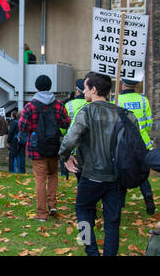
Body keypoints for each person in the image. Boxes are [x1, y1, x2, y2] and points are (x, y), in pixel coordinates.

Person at [59, 72, 137, 256]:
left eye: (85, 87)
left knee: (83, 211)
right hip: (116, 177)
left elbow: (69, 140)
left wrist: (65, 156)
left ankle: (91, 251)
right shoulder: (124, 114)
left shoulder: (86, 112)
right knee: (112, 221)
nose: (83, 91)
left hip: (91, 175)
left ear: (93, 89)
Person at [19, 75, 70, 221]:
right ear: (50, 86)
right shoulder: (59, 105)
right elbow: (66, 123)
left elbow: (22, 126)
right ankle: (52, 205)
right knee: (53, 175)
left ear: (36, 87)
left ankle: (42, 213)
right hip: (54, 146)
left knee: (40, 180)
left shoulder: (30, 106)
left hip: (37, 148)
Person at [112, 79, 156, 215]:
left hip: (124, 144)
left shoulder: (116, 100)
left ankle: (120, 204)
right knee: (141, 173)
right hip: (142, 143)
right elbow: (148, 123)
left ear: (123, 85)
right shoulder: (143, 100)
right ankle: (147, 194)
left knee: (121, 171)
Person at [59, 79, 88, 180]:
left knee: (79, 176)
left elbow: (62, 129)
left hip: (74, 149)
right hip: (90, 150)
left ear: (77, 91)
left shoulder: (69, 105)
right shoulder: (93, 103)